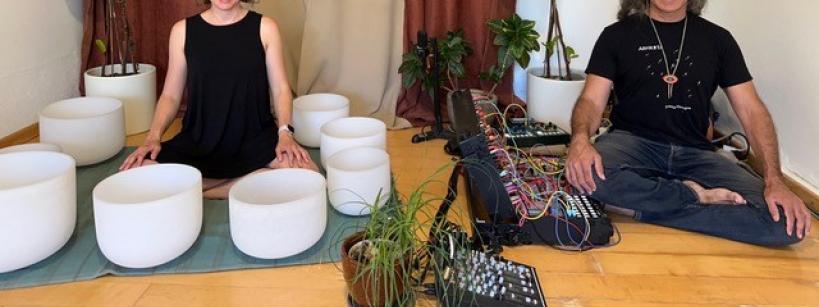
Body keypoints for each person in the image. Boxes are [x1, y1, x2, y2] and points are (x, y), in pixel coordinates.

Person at [565, 0, 812, 246]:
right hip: (632, 143)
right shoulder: (616, 35)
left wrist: (775, 181)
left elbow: (752, 111)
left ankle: (644, 206)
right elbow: (591, 101)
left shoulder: (719, 40)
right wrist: (579, 140)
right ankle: (695, 195)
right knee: (587, 177)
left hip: (697, 153)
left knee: (784, 223)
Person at [120, 0, 318, 199]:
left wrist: (285, 133)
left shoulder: (266, 28)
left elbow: (281, 89)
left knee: (310, 174)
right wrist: (153, 137)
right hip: (199, 140)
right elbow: (170, 96)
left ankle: (200, 189)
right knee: (134, 172)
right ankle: (248, 182)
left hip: (255, 139)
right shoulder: (182, 31)